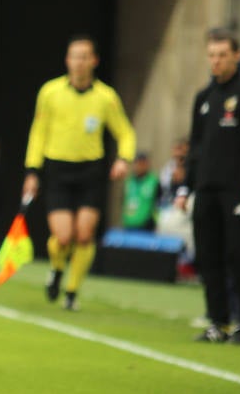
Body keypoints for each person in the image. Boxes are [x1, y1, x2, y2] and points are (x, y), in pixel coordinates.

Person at [174, 28, 240, 344]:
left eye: (222, 55)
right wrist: (185, 188)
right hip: (206, 188)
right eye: (212, 55)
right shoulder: (204, 97)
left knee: (238, 254)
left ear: (237, 54)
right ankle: (218, 322)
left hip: (238, 188)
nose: (216, 61)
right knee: (208, 256)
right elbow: (197, 146)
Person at [22, 36, 137, 312]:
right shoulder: (50, 93)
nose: (79, 62)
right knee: (63, 237)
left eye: (85, 56)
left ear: (94, 61)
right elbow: (38, 133)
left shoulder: (105, 98)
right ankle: (57, 268)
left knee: (84, 235)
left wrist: (124, 159)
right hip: (57, 168)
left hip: (90, 170)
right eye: (74, 56)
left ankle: (72, 292)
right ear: (67, 60)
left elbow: (125, 132)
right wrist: (32, 171)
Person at [120, 152, 160, 231]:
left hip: (147, 225)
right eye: (138, 163)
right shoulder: (129, 181)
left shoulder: (154, 181)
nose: (140, 166)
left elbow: (159, 202)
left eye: (143, 163)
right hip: (129, 224)